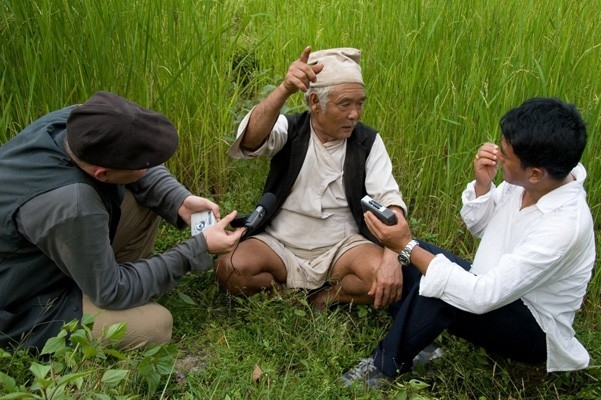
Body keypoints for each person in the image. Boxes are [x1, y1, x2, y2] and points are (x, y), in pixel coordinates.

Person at [342, 97, 595, 387]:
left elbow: (481, 296)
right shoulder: (533, 183)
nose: (498, 155)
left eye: (506, 154)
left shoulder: (564, 226)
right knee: (417, 259)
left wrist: (407, 247)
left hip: (535, 328)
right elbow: (483, 227)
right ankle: (420, 335)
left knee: (435, 281)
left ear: (535, 173)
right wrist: (483, 185)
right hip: (494, 288)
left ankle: (383, 368)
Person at [0, 91, 244, 353]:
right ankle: (101, 291)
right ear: (102, 173)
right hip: (21, 304)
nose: (152, 164)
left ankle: (110, 278)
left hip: (54, 249)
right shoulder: (74, 205)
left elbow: (142, 169)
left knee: (148, 197)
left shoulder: (81, 123)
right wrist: (197, 248)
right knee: (155, 325)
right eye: (142, 164)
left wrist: (179, 200)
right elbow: (111, 291)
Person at [215, 46, 408, 309]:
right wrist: (284, 88)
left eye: (360, 103)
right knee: (231, 268)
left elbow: (388, 199)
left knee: (384, 278)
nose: (355, 114)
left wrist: (390, 258)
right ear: (315, 103)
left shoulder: (368, 141)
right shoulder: (290, 129)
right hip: (280, 243)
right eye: (345, 104)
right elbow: (250, 140)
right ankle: (283, 296)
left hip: (343, 247)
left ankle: (325, 298)